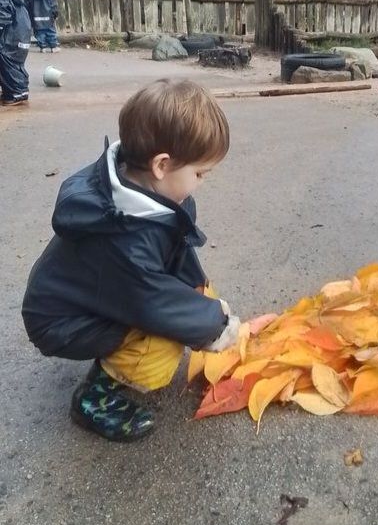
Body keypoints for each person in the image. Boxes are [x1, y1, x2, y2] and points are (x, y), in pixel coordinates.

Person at [22, 79, 241, 441]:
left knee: (195, 303)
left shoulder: (148, 192)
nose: (202, 182)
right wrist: (212, 326)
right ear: (162, 164)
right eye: (199, 174)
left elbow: (174, 253)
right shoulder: (124, 237)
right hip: (61, 321)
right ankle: (95, 397)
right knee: (162, 344)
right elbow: (151, 301)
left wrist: (198, 292)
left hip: (93, 295)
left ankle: (120, 350)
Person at [0, 0, 31, 106]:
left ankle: (16, 93)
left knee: (7, 61)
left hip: (12, 35)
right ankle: (18, 91)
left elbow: (2, 16)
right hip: (21, 32)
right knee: (13, 63)